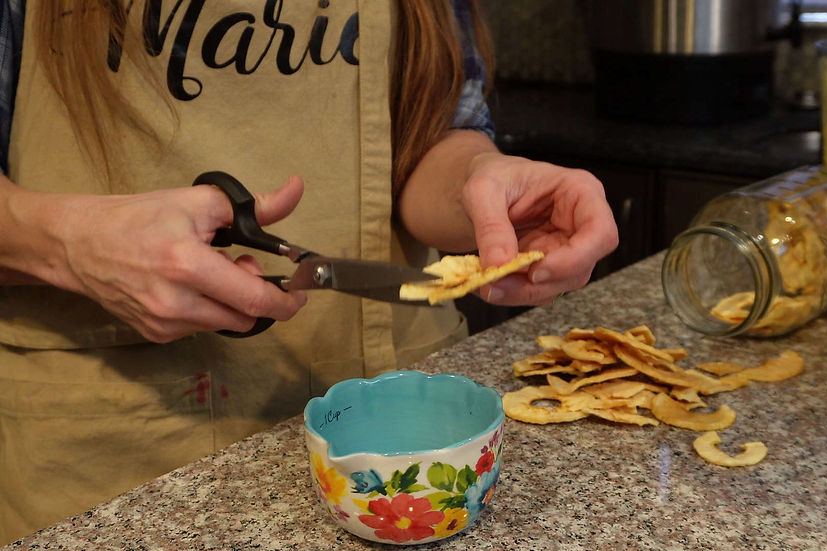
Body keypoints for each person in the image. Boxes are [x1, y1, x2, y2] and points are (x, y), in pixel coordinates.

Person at [0, 0, 618, 543]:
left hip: (401, 435)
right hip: (115, 472)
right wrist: (70, 244)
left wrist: (484, 185)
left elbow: (428, 139)